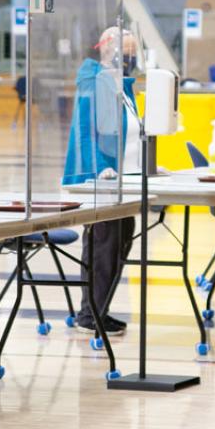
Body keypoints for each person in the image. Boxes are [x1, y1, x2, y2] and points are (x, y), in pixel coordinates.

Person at [63, 27, 140, 336]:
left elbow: (130, 130)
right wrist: (96, 171)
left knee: (120, 242)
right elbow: (84, 131)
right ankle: (88, 314)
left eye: (135, 54)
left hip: (126, 180)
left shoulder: (122, 86)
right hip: (103, 180)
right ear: (109, 50)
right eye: (127, 53)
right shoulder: (94, 83)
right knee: (102, 247)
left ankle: (100, 309)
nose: (131, 59)